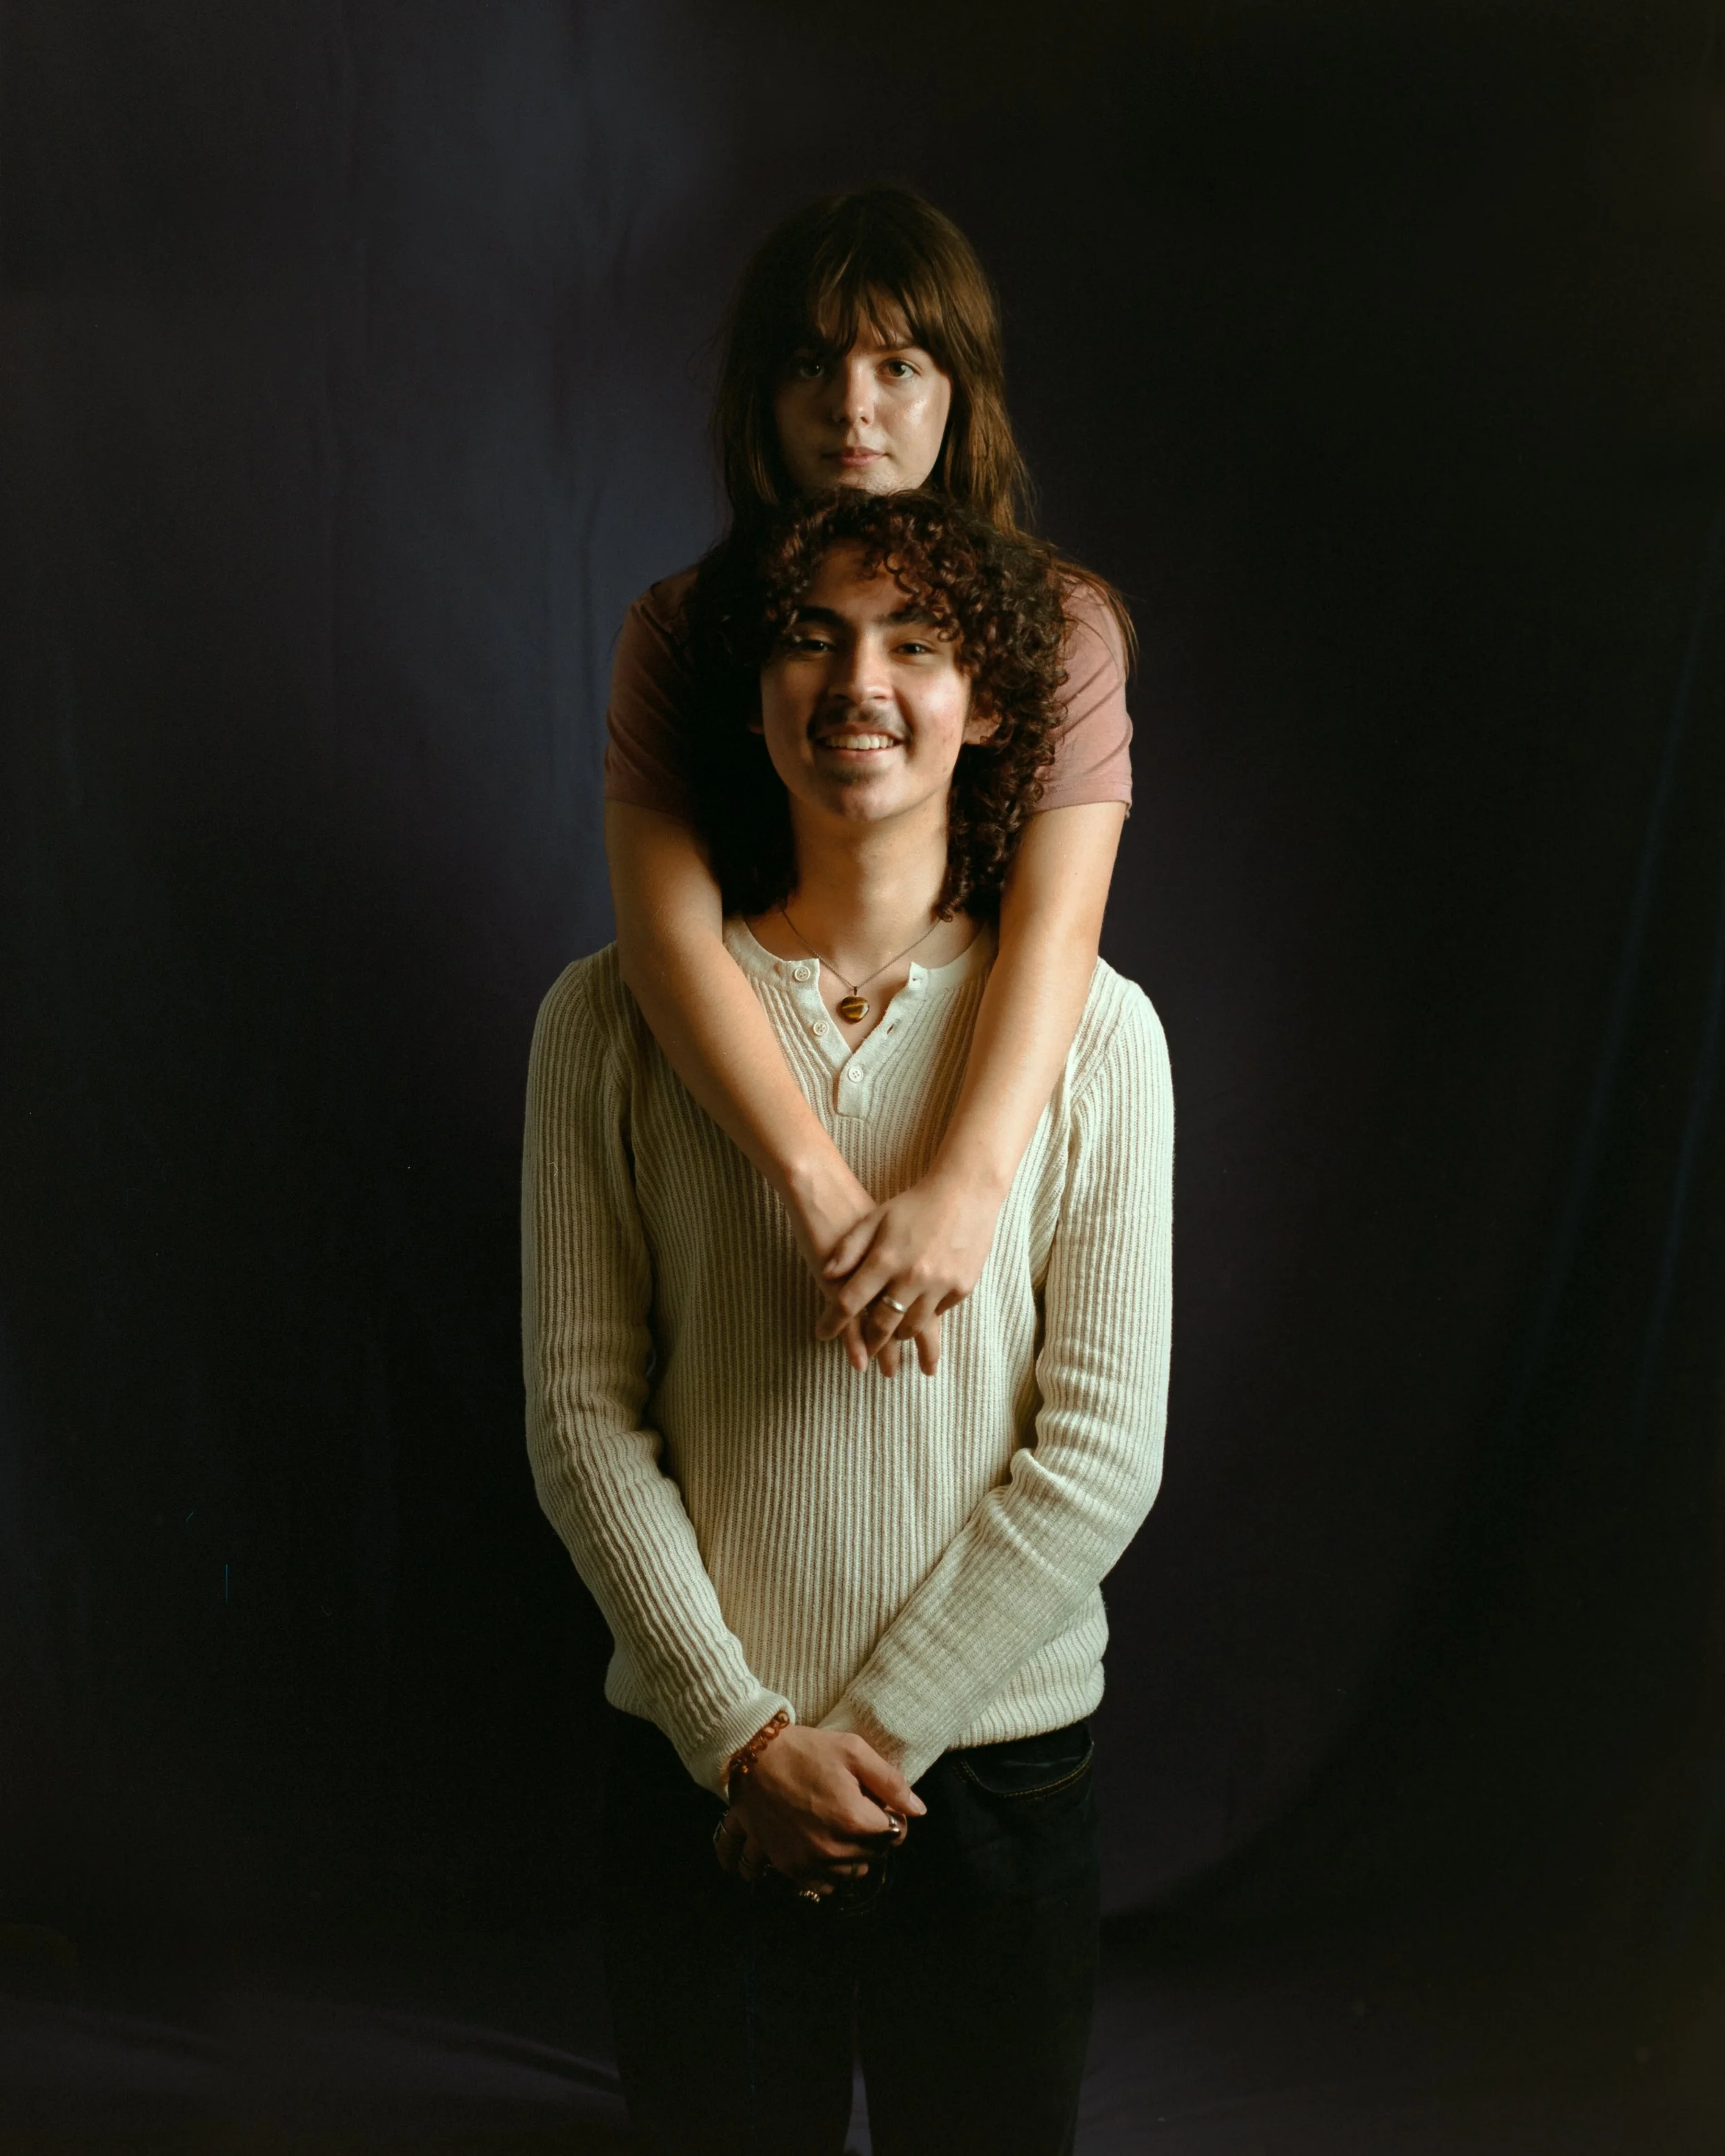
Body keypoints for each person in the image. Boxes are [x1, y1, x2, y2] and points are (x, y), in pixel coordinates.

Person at [524, 486, 1173, 2155]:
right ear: (748, 700)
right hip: (704, 1774)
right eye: (807, 636)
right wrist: (742, 1739)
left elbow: (1099, 1452)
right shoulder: (602, 1027)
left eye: (914, 641)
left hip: (995, 1781)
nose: (855, 680)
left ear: (995, 703)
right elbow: (581, 1416)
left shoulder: (1100, 1038)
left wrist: (867, 1745)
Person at [605, 187, 1135, 1377]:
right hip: (738, 1120)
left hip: (967, 1081)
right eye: (812, 362)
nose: (853, 407)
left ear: (960, 393)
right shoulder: (682, 631)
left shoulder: (1065, 627)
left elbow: (1059, 926)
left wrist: (966, 1187)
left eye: (899, 365)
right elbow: (664, 940)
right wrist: (823, 1197)